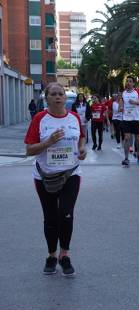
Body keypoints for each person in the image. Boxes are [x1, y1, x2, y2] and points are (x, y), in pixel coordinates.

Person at [24, 82, 87, 276]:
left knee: (66, 214)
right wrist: (49, 142)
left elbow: (81, 138)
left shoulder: (74, 117)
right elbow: (29, 150)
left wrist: (82, 149)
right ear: (47, 98)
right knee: (51, 217)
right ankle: (51, 255)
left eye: (61, 94)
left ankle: (64, 255)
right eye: (54, 94)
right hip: (45, 176)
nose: (58, 97)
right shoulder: (40, 119)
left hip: (71, 174)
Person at [119, 75, 139, 166]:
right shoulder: (124, 93)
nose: (128, 83)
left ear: (133, 83)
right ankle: (126, 158)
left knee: (137, 138)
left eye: (130, 81)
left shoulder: (137, 92)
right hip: (126, 118)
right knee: (126, 138)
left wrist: (134, 102)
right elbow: (121, 103)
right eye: (127, 81)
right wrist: (121, 107)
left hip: (136, 118)